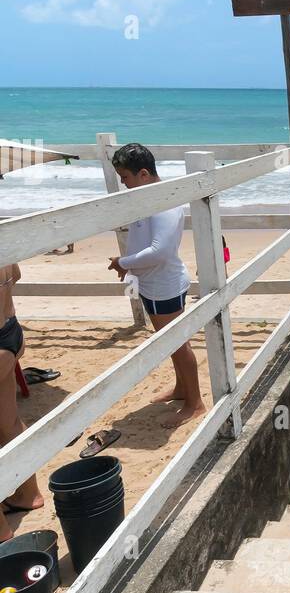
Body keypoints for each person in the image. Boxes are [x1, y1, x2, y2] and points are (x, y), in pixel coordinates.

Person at [108, 142, 205, 429]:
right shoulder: (148, 198)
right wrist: (128, 266)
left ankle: (195, 403)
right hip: (151, 283)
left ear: (144, 173)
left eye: (126, 177)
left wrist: (124, 262)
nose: (124, 183)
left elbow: (159, 251)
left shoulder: (165, 202)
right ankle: (181, 389)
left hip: (165, 285)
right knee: (169, 343)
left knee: (178, 345)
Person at [0, 264, 44, 543]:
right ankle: (29, 493)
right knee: (9, 422)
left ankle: (2, 530)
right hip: (10, 330)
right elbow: (16, 273)